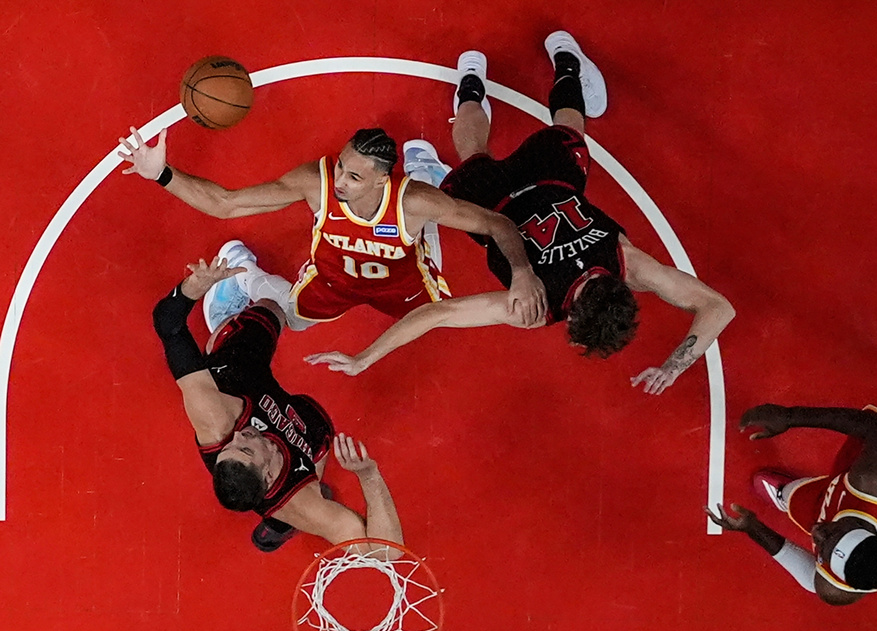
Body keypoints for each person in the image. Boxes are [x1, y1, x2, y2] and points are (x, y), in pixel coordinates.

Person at [305, 32, 734, 395]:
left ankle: (565, 60)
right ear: (572, 315)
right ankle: (469, 82)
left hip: (550, 177)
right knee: (472, 154)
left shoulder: (629, 264)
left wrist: (673, 367)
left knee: (569, 127)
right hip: (495, 201)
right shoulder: (535, 308)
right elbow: (439, 314)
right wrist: (364, 359)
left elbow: (717, 307)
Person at [121, 127, 547, 331]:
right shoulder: (317, 183)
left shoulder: (411, 200)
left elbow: (496, 222)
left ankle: (425, 169)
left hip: (402, 281)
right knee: (291, 320)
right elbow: (226, 203)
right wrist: (162, 174)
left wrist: (523, 272)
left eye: (354, 177)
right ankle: (242, 271)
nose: (339, 181)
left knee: (436, 314)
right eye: (341, 165)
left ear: (381, 181)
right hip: (333, 279)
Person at [152, 253, 406, 553]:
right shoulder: (299, 503)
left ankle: (224, 318)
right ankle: (281, 523)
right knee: (316, 458)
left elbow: (168, 324)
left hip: (241, 377)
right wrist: (368, 475)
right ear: (269, 475)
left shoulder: (216, 419)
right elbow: (386, 554)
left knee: (280, 306)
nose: (239, 435)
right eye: (246, 448)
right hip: (303, 433)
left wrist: (194, 287)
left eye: (229, 446)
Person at [705, 383, 877, 605]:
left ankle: (787, 494)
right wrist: (790, 416)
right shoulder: (874, 481)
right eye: (830, 534)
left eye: (821, 551)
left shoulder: (842, 585)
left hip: (840, 496)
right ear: (854, 528)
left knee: (797, 500)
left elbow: (813, 580)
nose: (817, 534)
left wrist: (753, 528)